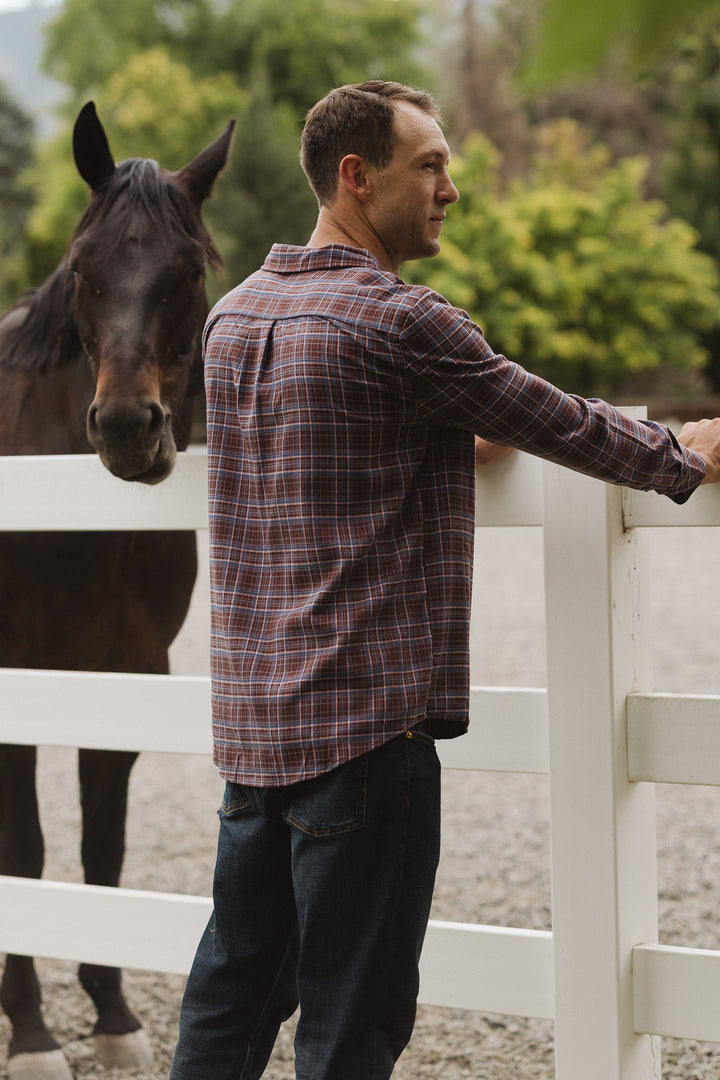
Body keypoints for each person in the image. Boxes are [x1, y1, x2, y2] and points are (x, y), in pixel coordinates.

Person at [168, 80, 720, 1080]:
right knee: (350, 1025)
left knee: (231, 1001)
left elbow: (324, 442)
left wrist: (442, 434)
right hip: (365, 742)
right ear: (356, 175)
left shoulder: (237, 319)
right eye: (430, 163)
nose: (450, 187)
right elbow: (563, 422)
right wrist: (681, 451)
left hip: (254, 744)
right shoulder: (398, 320)